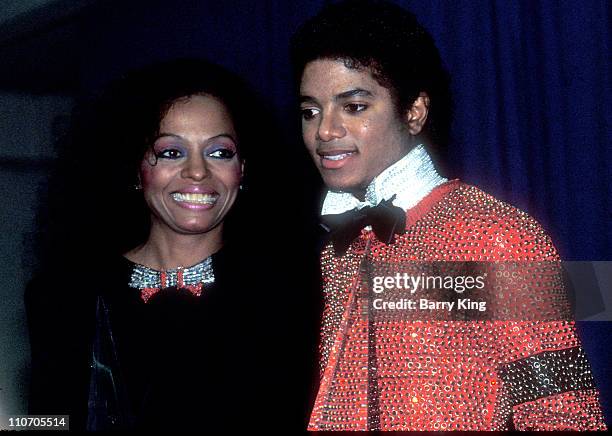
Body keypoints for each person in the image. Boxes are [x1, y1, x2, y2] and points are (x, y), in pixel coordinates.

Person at [290, 0, 607, 431]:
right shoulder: (336, 250)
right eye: (311, 111)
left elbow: (567, 417)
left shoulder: (496, 236)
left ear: (415, 111)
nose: (325, 130)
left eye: (355, 106)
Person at [25, 59, 277, 431]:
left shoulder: (285, 294)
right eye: (171, 152)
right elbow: (43, 422)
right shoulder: (62, 294)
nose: (197, 171)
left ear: (244, 170)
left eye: (219, 152)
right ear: (134, 169)